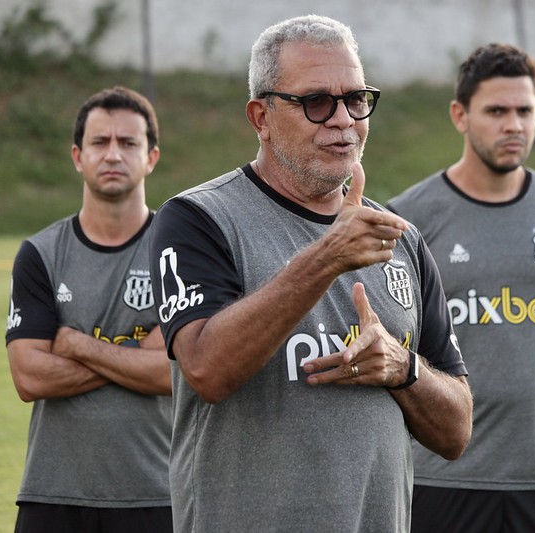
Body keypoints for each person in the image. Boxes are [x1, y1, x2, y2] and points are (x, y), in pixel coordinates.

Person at [149, 15, 473, 532]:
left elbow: (456, 432)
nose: (343, 119)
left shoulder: (402, 240)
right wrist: (327, 257)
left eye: (356, 99)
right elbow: (207, 369)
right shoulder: (198, 220)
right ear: (262, 116)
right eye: (317, 102)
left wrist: (403, 368)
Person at [387, 43, 535, 533]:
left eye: (525, 110)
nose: (514, 125)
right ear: (460, 115)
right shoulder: (409, 216)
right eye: (497, 111)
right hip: (441, 474)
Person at [5, 86, 173, 533]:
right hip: (53, 494)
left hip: (157, 494)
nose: (113, 154)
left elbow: (176, 374)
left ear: (151, 157)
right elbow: (29, 377)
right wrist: (138, 353)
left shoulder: (177, 252)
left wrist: (75, 343)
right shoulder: (40, 254)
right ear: (78, 156)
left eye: (128, 143)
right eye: (100, 142)